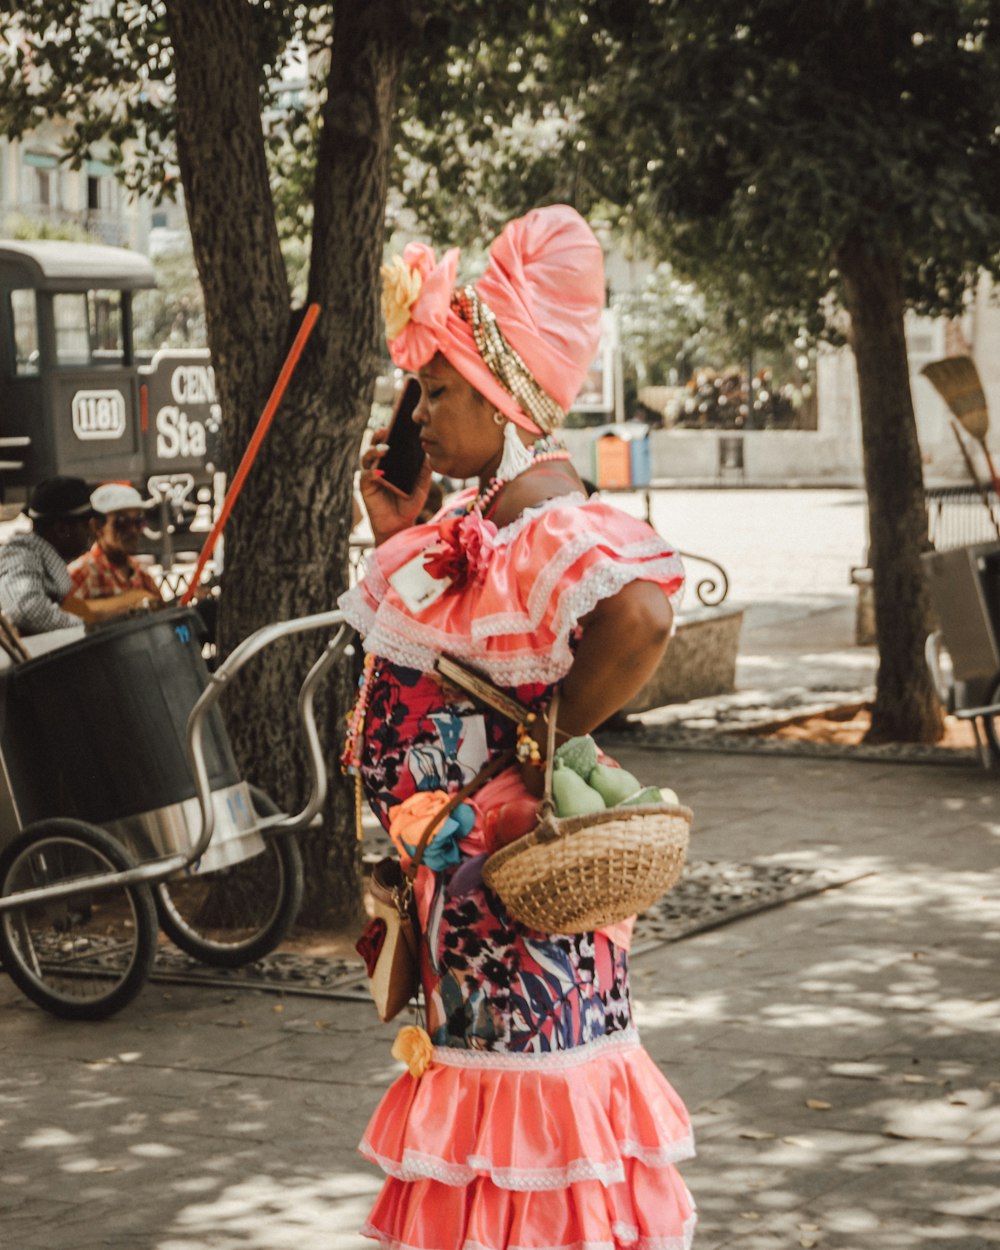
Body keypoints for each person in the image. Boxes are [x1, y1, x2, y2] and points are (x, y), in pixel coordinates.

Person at [340, 205, 694, 1248]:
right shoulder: (482, 522)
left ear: (500, 395)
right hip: (476, 925)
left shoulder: (541, 519)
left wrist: (537, 753)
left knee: (522, 1163)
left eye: (440, 390)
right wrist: (401, 536)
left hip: (513, 931)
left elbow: (643, 615)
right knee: (506, 1164)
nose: (422, 409)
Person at [0, 476, 95, 635]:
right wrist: (85, 629)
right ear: (61, 529)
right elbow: (27, 610)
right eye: (85, 525)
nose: (90, 532)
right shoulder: (20, 556)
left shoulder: (39, 557)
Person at [67, 482, 163, 609]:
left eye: (138, 522)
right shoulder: (80, 574)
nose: (132, 530)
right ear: (96, 527)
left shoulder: (142, 574)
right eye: (122, 522)